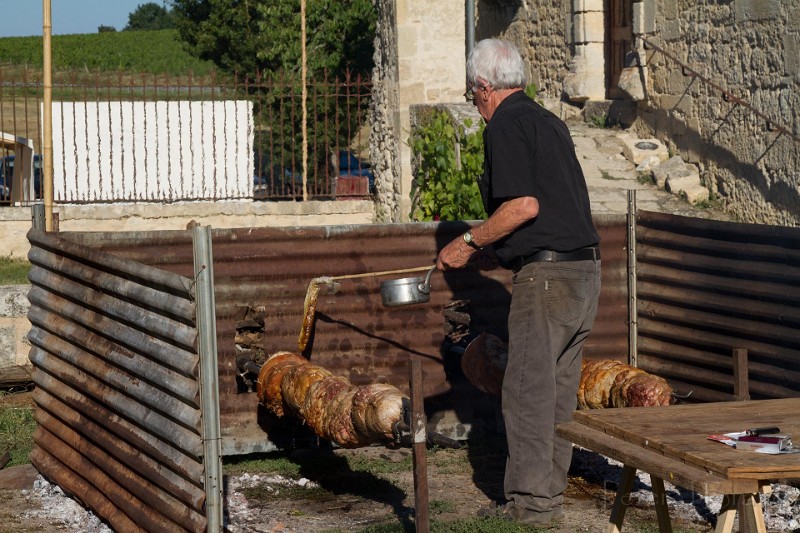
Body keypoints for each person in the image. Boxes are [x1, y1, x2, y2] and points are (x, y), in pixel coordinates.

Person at [435, 38, 602, 528]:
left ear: (485, 87)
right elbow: (550, 208)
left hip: (548, 280)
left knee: (527, 391)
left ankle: (529, 505)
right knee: (557, 394)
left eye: (473, 95)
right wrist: (499, 250)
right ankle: (546, 500)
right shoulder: (548, 120)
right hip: (585, 272)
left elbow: (523, 206)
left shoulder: (504, 124)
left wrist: (466, 241)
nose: (475, 103)